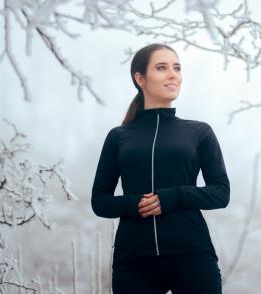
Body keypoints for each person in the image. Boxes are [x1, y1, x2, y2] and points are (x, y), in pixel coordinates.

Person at [91, 43, 230, 294]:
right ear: (140, 78)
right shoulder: (119, 136)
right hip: (134, 260)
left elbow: (221, 193)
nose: (172, 74)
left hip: (192, 255)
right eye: (161, 67)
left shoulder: (199, 132)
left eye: (176, 68)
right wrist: (134, 205)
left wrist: (175, 196)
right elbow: (99, 201)